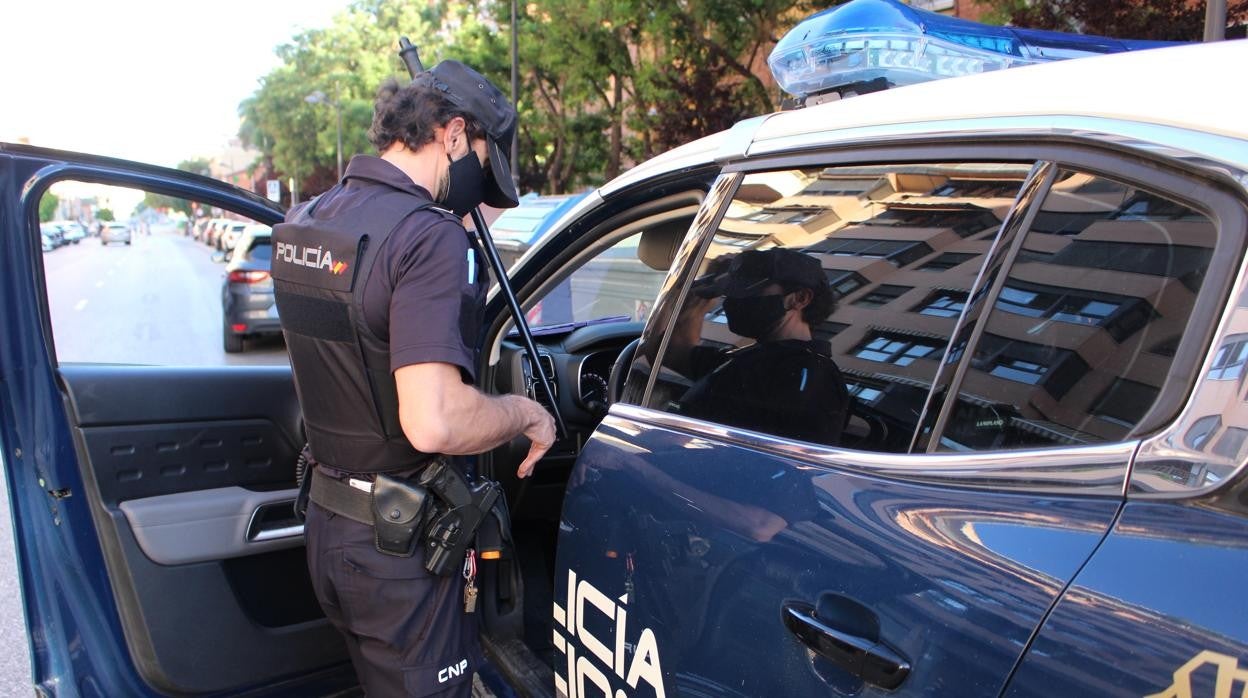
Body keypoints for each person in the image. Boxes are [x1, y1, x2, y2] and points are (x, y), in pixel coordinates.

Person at [270, 61, 555, 697]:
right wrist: (525, 413)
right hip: (399, 554)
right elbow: (435, 420)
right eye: (483, 166)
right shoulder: (425, 237)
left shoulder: (305, 221)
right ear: (453, 135)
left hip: (327, 528)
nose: (480, 196)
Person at [668, 248, 851, 446]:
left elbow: (783, 460)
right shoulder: (753, 359)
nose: (734, 302)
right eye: (730, 293)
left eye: (749, 291)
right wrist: (705, 288)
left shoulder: (808, 375)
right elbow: (673, 352)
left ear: (800, 298)